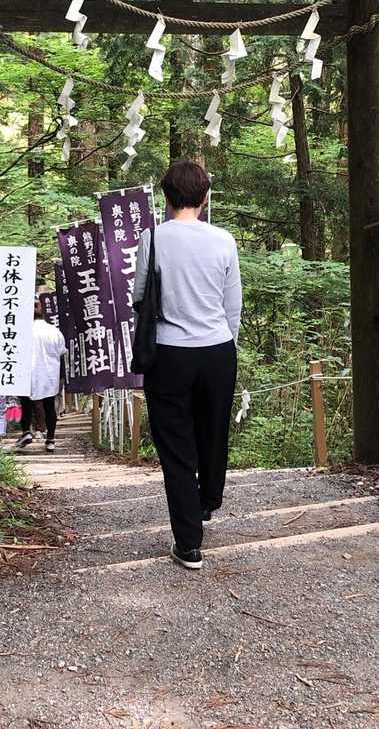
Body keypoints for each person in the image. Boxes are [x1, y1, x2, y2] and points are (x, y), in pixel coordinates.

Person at [133, 160, 242, 571]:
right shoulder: (224, 240)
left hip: (169, 354)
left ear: (167, 197)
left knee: (176, 448)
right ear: (204, 197)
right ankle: (208, 500)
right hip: (217, 351)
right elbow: (232, 305)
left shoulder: (153, 238)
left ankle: (189, 544)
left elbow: (140, 296)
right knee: (213, 431)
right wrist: (225, 345)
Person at [18, 297, 66, 453]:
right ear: (42, 309)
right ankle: (50, 439)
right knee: (49, 406)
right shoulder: (53, 331)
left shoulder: (21, 331)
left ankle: (26, 431)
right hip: (49, 374)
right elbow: (61, 351)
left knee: (26, 403)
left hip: (28, 373)